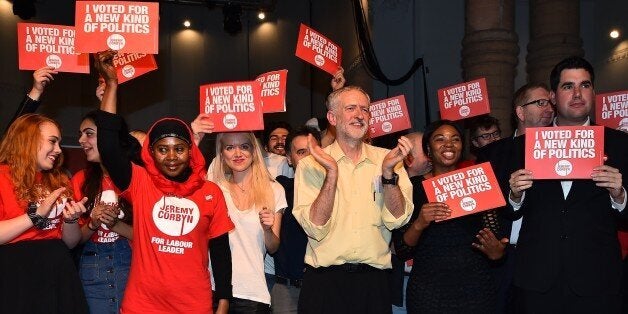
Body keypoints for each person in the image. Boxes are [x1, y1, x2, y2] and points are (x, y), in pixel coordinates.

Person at [94, 50, 234, 313]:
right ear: (151, 153)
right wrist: (112, 84)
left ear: (191, 150)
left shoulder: (211, 192)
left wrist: (224, 301)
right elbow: (108, 145)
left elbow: (220, 250)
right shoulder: (141, 182)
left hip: (194, 305)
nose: (171, 157)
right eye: (162, 149)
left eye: (179, 149)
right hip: (142, 305)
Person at [508, 56, 627, 313]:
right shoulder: (522, 147)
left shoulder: (619, 144)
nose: (577, 93)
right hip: (537, 283)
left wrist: (619, 195)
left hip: (597, 283)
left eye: (584, 85)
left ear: (593, 92)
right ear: (552, 96)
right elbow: (503, 216)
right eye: (567, 86)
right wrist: (515, 195)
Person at [293, 86, 414, 314]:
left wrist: (388, 174)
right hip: (324, 285)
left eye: (365, 110)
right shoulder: (311, 164)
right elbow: (315, 226)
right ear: (332, 117)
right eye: (351, 108)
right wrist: (331, 171)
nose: (359, 115)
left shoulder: (389, 160)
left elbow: (397, 219)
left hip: (374, 284)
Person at [392, 120, 506, 313]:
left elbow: (494, 242)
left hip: (476, 290)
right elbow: (402, 250)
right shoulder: (412, 188)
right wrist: (420, 223)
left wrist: (497, 252)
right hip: (428, 292)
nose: (448, 144)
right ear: (428, 148)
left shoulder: (478, 181)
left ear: (462, 146)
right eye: (440, 139)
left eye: (455, 139)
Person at [475, 82, 554, 313]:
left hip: (546, 255)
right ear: (520, 112)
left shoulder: (563, 151)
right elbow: (481, 205)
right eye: (540, 103)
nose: (548, 107)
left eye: (550, 102)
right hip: (503, 255)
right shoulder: (493, 153)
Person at [0, 113, 89, 313]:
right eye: (52, 141)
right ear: (28, 140)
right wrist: (35, 216)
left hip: (58, 272)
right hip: (16, 275)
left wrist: (71, 220)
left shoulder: (58, 180)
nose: (58, 150)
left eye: (59, 143)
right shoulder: (2, 176)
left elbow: (70, 242)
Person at [210, 131, 286, 313]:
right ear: (221, 154)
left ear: (254, 150)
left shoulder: (274, 190)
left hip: (252, 293)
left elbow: (273, 247)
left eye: (244, 146)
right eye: (230, 147)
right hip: (214, 290)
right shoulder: (215, 189)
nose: (238, 153)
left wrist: (267, 230)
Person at [272, 126, 321, 313]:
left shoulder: (334, 190)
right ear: (289, 159)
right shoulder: (280, 188)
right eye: (301, 152)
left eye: (313, 151)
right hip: (287, 290)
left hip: (322, 287)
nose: (309, 158)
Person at [391, 131, 432, 313]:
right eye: (425, 150)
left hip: (434, 281)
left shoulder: (444, 184)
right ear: (408, 158)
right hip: (401, 280)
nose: (431, 154)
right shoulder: (390, 188)